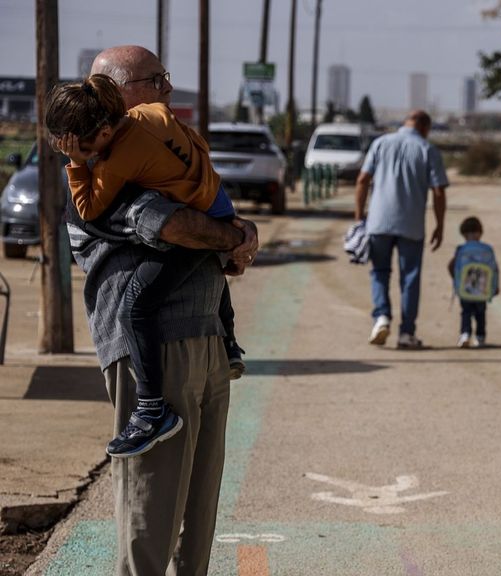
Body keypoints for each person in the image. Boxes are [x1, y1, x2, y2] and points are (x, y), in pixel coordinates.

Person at [69, 45, 258, 576]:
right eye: (156, 80)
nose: (167, 90)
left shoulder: (151, 148)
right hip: (155, 350)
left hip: (204, 343)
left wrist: (233, 236)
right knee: (152, 515)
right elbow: (174, 225)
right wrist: (236, 236)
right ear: (114, 92)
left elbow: (201, 212)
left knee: (198, 515)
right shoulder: (101, 170)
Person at [46, 73, 246, 458]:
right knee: (210, 263)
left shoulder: (115, 161)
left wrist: (75, 165)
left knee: (135, 307)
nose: (89, 155)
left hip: (192, 221)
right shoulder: (148, 112)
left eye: (86, 146)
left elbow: (88, 208)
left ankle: (153, 410)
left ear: (104, 132)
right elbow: (195, 140)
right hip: (215, 201)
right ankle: (231, 342)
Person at [354, 110, 448, 349]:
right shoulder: (428, 150)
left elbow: (362, 180)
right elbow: (438, 191)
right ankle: (407, 333)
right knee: (410, 278)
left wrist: (359, 218)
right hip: (412, 225)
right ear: (425, 128)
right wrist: (440, 225)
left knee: (379, 272)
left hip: (379, 223)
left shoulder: (380, 143)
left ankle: (382, 317)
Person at [447, 217, 499, 348]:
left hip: (466, 289)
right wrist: (495, 286)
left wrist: (456, 281)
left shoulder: (461, 249)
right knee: (480, 313)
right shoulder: (487, 250)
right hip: (482, 289)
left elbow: (451, 266)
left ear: (463, 235)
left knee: (466, 312)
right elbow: (494, 269)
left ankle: (465, 334)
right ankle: (480, 336)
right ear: (480, 232)